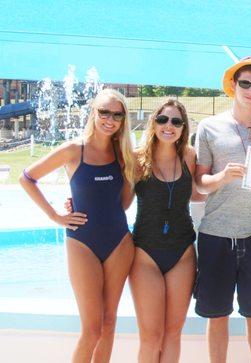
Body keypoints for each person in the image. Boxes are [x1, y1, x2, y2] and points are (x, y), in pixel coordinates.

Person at [19, 89, 135, 362]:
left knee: (108, 325)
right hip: (82, 242)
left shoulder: (123, 155)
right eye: (104, 112)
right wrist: (55, 216)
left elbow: (123, 204)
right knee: (91, 330)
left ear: (123, 119)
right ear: (93, 112)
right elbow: (27, 178)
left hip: (119, 241)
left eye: (117, 114)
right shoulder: (73, 150)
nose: (110, 119)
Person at [193, 56, 251, 363]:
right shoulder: (209, 127)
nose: (250, 90)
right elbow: (200, 184)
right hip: (216, 234)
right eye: (245, 83)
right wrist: (222, 177)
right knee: (217, 316)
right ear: (233, 85)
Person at [127, 99, 198, 362]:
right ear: (153, 123)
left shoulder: (189, 155)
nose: (169, 126)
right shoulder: (137, 158)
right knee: (151, 337)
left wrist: (226, 182)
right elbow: (121, 200)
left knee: (172, 334)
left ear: (183, 128)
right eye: (163, 120)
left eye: (176, 121)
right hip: (146, 253)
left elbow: (196, 193)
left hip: (182, 253)